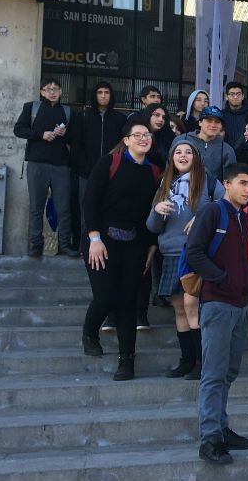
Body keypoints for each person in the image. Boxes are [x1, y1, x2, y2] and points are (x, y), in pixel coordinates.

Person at [185, 163, 248, 465]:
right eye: (242, 183)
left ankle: (221, 428)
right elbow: (193, 251)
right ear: (226, 184)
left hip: (240, 304)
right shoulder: (213, 212)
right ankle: (210, 439)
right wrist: (222, 278)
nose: (247, 189)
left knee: (228, 372)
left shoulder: (243, 217)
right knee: (214, 374)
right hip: (217, 303)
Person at [80, 119, 161, 380]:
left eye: (146, 134)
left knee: (128, 302)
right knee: (106, 297)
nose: (142, 138)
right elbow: (90, 201)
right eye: (136, 135)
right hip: (102, 240)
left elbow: (151, 214)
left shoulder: (154, 172)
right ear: (126, 140)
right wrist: (94, 238)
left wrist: (150, 247)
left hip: (135, 242)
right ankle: (90, 331)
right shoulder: (109, 163)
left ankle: (127, 361)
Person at [146, 141, 222, 380]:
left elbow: (225, 206)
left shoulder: (209, 182)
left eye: (189, 151)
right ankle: (186, 361)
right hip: (169, 252)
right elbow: (152, 227)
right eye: (178, 151)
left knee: (192, 305)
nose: (183, 155)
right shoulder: (164, 184)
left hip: (194, 253)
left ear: (196, 158)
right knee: (179, 307)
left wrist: (202, 218)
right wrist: (156, 210)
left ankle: (202, 362)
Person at [13, 76, 79, 258]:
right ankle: (36, 245)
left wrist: (65, 134)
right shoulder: (31, 108)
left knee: (64, 207)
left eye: (56, 88)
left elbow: (75, 138)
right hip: (37, 164)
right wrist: (41, 134)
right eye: (48, 89)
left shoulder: (68, 111)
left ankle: (65, 244)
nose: (52, 92)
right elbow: (18, 129)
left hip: (61, 166)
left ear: (60, 92)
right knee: (36, 206)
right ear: (41, 92)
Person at [70, 81, 126, 233]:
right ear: (94, 95)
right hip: (86, 173)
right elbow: (76, 144)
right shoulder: (83, 117)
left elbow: (123, 145)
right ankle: (85, 243)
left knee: (109, 207)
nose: (103, 96)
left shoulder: (120, 119)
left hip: (111, 173)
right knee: (86, 208)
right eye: (100, 92)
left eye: (106, 92)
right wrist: (84, 166)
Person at [170, 106, 237, 181]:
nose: (213, 125)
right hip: (180, 190)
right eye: (209, 120)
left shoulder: (227, 150)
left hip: (212, 191)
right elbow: (169, 169)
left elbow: (229, 181)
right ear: (200, 122)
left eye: (217, 122)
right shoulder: (181, 140)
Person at [141, 103, 173, 169]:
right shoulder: (138, 135)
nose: (161, 119)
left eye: (164, 117)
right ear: (148, 115)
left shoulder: (165, 137)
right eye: (156, 115)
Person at [221, 82, 248, 147]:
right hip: (226, 153)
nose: (235, 97)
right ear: (226, 97)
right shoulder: (221, 115)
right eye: (232, 94)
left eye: (238, 94)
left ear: (243, 96)